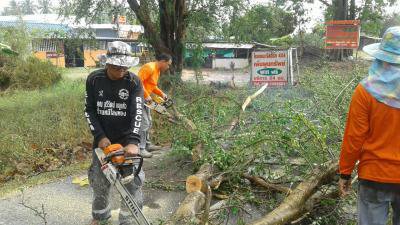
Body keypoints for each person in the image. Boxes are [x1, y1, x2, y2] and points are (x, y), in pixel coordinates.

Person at [338, 26, 400, 225]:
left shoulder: (365, 91)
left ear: (380, 57)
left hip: (374, 176)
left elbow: (354, 137)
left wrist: (345, 173)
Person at [85, 41, 145, 225]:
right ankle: (100, 217)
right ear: (107, 63)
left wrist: (134, 141)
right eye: (117, 67)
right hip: (103, 142)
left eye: (124, 67)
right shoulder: (94, 80)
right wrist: (100, 136)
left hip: (128, 141)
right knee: (100, 182)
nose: (121, 71)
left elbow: (138, 112)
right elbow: (89, 111)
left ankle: (128, 221)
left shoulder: (133, 81)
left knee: (132, 182)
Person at [137, 53, 172, 158]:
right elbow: (138, 83)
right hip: (139, 98)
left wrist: (162, 94)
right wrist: (146, 95)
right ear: (163, 62)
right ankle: (140, 148)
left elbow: (152, 86)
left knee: (149, 121)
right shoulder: (149, 67)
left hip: (147, 99)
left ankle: (147, 144)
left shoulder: (157, 70)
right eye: (168, 64)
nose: (168, 67)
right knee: (144, 123)